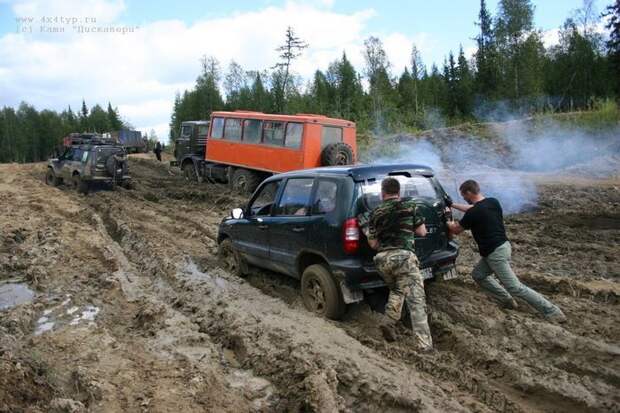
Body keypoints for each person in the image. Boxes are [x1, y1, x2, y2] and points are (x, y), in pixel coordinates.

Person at [447, 180, 567, 323]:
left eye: (463, 195)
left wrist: (447, 217)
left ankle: (552, 311)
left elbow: (455, 229)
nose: (463, 198)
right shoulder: (492, 202)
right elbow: (472, 209)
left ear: (468, 193)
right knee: (478, 275)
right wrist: (452, 205)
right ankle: (506, 300)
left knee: (515, 287)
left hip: (495, 253)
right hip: (502, 246)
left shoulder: (474, 212)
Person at [363, 177, 433, 351]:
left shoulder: (375, 212)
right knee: (416, 302)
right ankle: (424, 346)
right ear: (399, 192)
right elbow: (422, 232)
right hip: (403, 258)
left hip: (382, 260)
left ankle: (388, 321)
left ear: (383, 193)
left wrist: (366, 229)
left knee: (398, 290)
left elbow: (373, 244)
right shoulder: (410, 206)